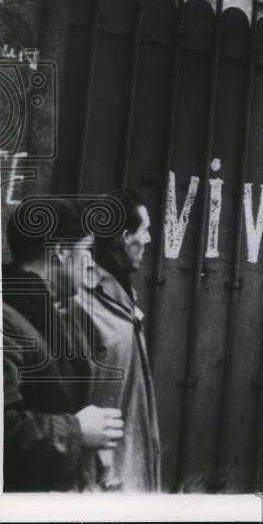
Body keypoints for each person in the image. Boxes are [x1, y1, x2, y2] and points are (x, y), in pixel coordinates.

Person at [3, 197, 124, 491]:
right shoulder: (4, 321)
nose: (91, 265)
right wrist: (78, 432)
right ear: (59, 252)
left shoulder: (46, 315)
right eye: (85, 251)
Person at [68, 189, 161, 491]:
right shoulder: (81, 298)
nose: (147, 240)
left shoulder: (123, 292)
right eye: (144, 231)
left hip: (128, 467)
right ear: (124, 237)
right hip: (100, 477)